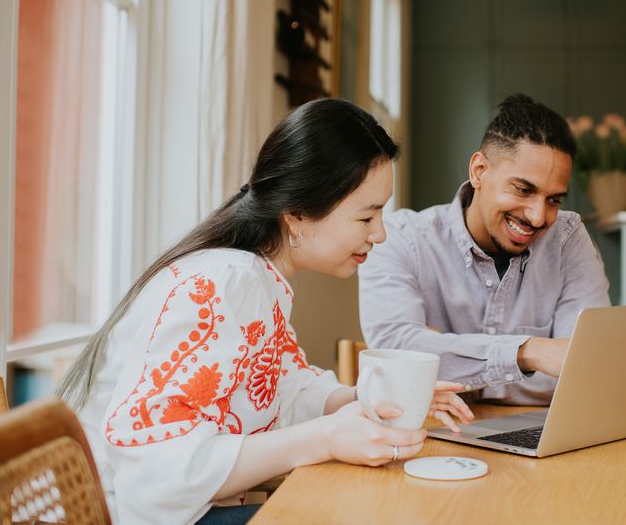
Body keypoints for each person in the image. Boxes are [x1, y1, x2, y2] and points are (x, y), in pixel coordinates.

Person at [57, 98, 473, 525]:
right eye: (367, 216)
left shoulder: (254, 279)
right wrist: (326, 438)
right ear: (297, 215)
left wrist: (375, 399)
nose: (380, 233)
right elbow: (157, 471)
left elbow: (284, 390)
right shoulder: (223, 282)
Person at [359, 94, 611, 406]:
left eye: (554, 200)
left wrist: (447, 357)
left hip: (541, 441)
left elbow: (587, 370)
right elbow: (397, 354)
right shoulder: (401, 239)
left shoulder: (567, 239)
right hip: (433, 437)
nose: (537, 216)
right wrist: (529, 353)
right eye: (523, 189)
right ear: (479, 171)